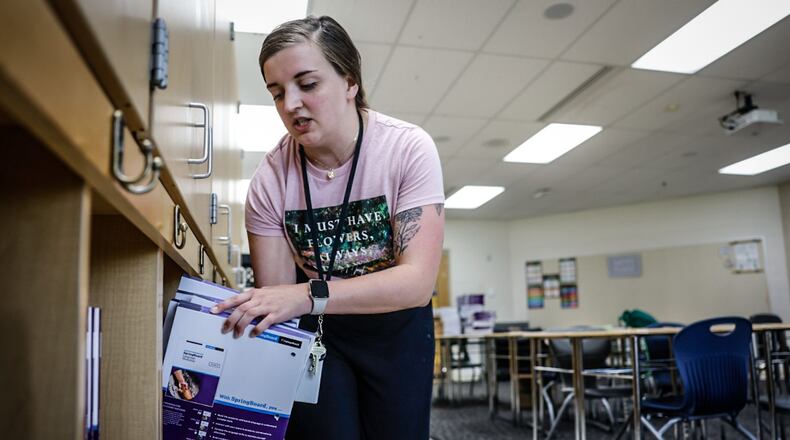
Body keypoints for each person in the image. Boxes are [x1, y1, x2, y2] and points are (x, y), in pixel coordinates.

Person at [211, 15, 445, 440]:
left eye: (308, 84)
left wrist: (304, 294)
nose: (290, 104)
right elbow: (275, 302)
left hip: (397, 329)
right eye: (277, 92)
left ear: (350, 81)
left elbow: (416, 282)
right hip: (320, 332)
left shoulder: (407, 148)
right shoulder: (270, 179)